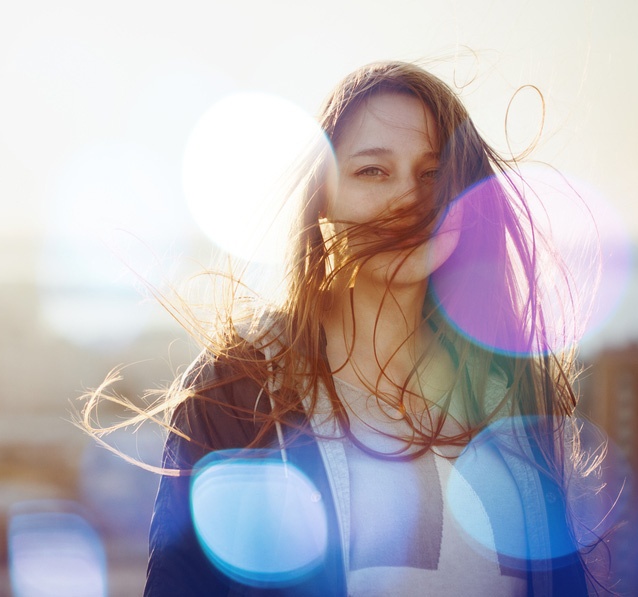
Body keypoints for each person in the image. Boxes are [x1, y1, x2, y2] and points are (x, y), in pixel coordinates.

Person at [83, 61, 608, 596]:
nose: (409, 199)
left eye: (432, 175)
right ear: (325, 196)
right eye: (372, 171)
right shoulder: (242, 387)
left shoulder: (514, 396)